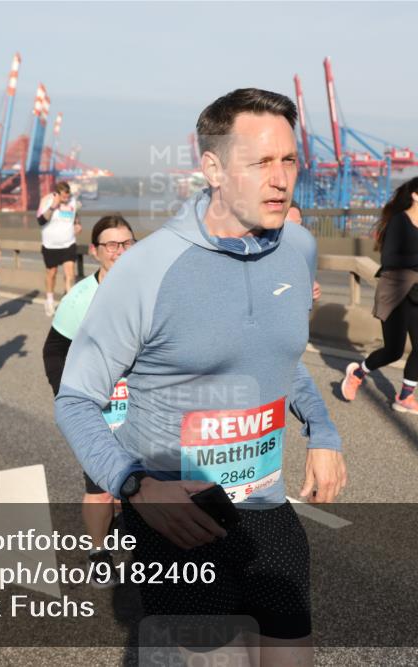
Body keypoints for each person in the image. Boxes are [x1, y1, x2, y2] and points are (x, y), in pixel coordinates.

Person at [55, 88, 346, 664]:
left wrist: (323, 430)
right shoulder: (146, 269)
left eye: (289, 160)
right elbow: (76, 399)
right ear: (212, 168)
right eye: (260, 162)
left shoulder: (298, 248)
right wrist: (135, 486)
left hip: (268, 511)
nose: (280, 179)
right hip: (179, 518)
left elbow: (279, 356)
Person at [42, 214, 136, 587]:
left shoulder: (150, 287)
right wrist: (72, 399)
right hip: (100, 410)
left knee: (144, 482)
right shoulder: (81, 297)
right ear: (95, 251)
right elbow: (54, 351)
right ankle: (98, 552)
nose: (120, 251)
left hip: (143, 408)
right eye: (111, 244)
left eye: (127, 243)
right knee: (100, 490)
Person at [339, 176, 418, 415]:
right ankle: (357, 373)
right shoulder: (400, 222)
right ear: (416, 196)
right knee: (394, 350)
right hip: (397, 292)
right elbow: (389, 259)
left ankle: (405, 397)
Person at [36, 181, 82, 316]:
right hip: (50, 245)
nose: (66, 199)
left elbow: (75, 214)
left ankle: (68, 304)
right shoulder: (46, 200)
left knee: (70, 274)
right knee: (52, 273)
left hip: (68, 243)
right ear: (56, 194)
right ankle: (49, 301)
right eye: (63, 197)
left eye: (68, 196)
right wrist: (53, 206)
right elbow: (40, 221)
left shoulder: (72, 200)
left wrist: (77, 224)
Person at [286, 200, 322, 302]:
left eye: (298, 223)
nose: (295, 230)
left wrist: (312, 289)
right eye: (288, 225)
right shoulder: (264, 252)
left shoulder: (305, 249)